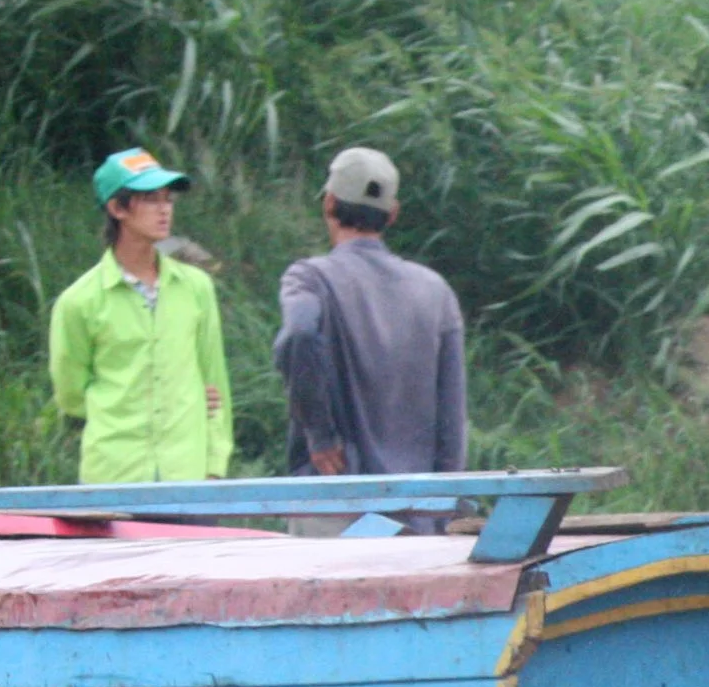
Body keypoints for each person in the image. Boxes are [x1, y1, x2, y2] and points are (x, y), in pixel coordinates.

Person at [274, 148, 466, 514]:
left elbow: (298, 334)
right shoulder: (435, 290)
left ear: (329, 203)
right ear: (392, 214)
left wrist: (320, 435)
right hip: (415, 507)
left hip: (331, 497)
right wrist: (444, 506)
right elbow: (452, 417)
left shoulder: (310, 279)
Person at [48, 149, 232, 485]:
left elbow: (214, 379)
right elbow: (71, 395)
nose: (164, 209)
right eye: (150, 199)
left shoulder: (195, 288)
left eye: (168, 199)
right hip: (114, 476)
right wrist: (125, 405)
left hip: (188, 476)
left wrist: (214, 465)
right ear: (117, 208)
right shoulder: (79, 301)